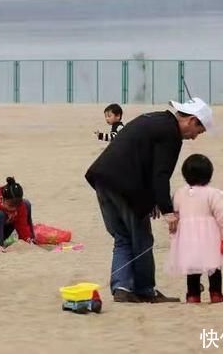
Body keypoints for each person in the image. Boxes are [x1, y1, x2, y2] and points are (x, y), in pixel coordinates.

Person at [85, 97, 212, 303]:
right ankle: (145, 290)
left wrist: (153, 200)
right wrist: (168, 211)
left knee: (123, 236)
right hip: (124, 184)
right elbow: (160, 175)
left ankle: (122, 288)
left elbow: (144, 162)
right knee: (142, 238)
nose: (195, 137)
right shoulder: (171, 134)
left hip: (102, 177)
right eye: (198, 131)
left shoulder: (156, 119)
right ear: (191, 120)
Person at [166, 154, 223, 304]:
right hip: (209, 237)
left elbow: (174, 216)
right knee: (214, 266)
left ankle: (193, 295)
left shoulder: (179, 194)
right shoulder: (212, 193)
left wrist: (174, 236)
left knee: (192, 269)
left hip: (188, 238)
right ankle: (216, 294)